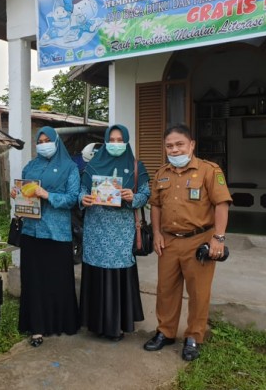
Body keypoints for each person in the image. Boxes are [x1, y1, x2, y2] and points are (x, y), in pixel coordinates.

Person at [143, 124, 231, 361]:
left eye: (180, 144)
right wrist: (158, 234)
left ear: (192, 144)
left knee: (198, 293)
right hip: (169, 241)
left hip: (198, 240)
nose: (175, 149)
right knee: (166, 291)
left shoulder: (209, 171)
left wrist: (218, 238)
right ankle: (165, 332)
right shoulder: (162, 173)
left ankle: (194, 336)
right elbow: (156, 206)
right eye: (169, 145)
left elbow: (221, 204)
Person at [11, 126, 80, 347]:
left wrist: (47, 194)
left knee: (57, 279)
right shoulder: (31, 166)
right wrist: (17, 194)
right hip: (31, 231)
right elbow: (24, 192)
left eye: (47, 139)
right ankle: (36, 327)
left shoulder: (70, 168)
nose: (43, 144)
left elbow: (72, 199)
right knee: (34, 280)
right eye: (39, 140)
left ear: (56, 141)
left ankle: (61, 322)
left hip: (57, 233)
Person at [79, 125, 148, 341]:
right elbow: (81, 190)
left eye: (120, 140)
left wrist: (132, 197)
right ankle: (95, 324)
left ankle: (116, 325)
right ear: (106, 141)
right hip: (96, 230)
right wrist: (83, 198)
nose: (116, 143)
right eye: (112, 139)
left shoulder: (136, 166)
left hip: (121, 231)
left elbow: (147, 192)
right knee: (97, 273)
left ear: (126, 141)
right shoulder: (93, 165)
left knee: (117, 275)